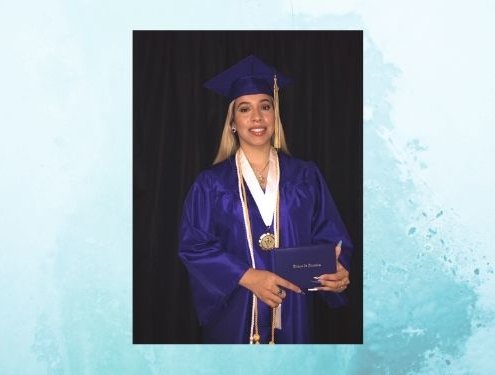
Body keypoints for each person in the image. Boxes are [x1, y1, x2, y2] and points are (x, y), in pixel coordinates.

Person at [178, 55, 353, 344]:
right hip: (235, 310)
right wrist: (247, 276)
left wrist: (338, 272)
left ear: (275, 116)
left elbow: (332, 239)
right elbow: (193, 245)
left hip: (293, 308)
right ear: (233, 122)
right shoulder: (211, 183)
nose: (257, 118)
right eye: (245, 109)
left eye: (265, 106)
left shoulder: (305, 176)